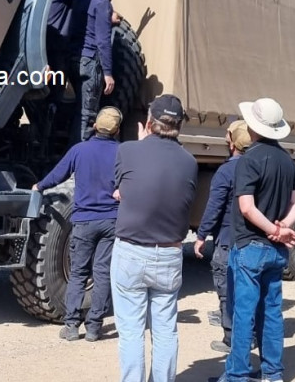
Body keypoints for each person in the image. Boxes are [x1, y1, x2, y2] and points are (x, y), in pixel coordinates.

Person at [111, 94, 198, 382]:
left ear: (148, 122)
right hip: (170, 253)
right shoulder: (190, 162)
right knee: (165, 329)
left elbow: (121, 190)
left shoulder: (128, 150)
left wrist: (141, 141)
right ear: (179, 127)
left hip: (131, 251)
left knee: (132, 331)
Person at [219, 97, 295, 382]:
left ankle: (237, 375)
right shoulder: (288, 161)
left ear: (252, 126)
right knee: (272, 311)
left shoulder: (249, 159)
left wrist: (273, 229)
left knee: (243, 313)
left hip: (250, 245)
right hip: (275, 251)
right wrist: (284, 227)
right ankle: (272, 373)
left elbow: (246, 207)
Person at [33, 106, 122, 342]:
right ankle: (94, 327)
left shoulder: (79, 150)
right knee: (102, 273)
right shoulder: (122, 152)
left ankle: (71, 325)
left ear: (95, 126)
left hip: (83, 221)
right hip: (111, 221)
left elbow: (58, 175)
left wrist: (39, 186)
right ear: (117, 130)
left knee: (79, 272)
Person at [46, 0, 146, 143]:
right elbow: (103, 41)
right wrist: (108, 73)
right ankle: (78, 160)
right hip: (90, 61)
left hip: (72, 60)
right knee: (87, 115)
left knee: (67, 107)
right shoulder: (101, 2)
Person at [194, 119, 252, 354]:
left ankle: (230, 339)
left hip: (228, 239)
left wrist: (201, 235)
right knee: (248, 292)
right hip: (252, 240)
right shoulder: (259, 167)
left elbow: (214, 206)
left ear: (232, 142)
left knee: (227, 291)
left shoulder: (227, 171)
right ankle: (250, 335)